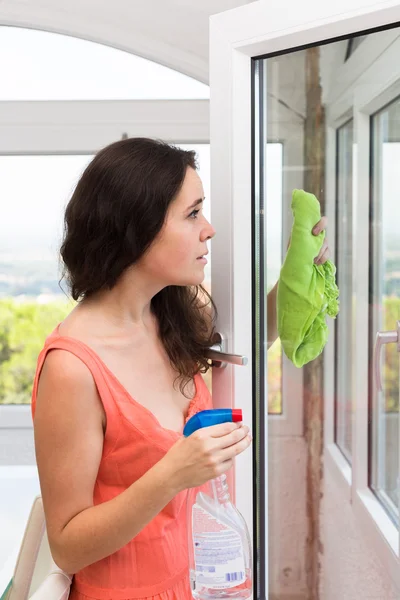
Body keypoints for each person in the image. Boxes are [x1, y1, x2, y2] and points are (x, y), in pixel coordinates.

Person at [31, 137, 329, 600]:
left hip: (199, 582)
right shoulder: (72, 368)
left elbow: (248, 345)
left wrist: (297, 275)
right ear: (137, 228)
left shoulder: (168, 313)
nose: (208, 229)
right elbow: (67, 547)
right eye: (192, 214)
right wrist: (173, 472)